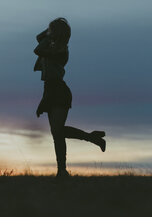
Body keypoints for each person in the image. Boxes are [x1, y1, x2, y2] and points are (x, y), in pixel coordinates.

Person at [33, 17, 106, 178]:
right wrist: (49, 31)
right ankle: (62, 170)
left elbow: (37, 49)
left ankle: (90, 139)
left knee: (58, 131)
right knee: (56, 134)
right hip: (50, 89)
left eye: (51, 30)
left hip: (59, 91)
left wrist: (51, 34)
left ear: (57, 34)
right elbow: (39, 38)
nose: (48, 33)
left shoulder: (60, 49)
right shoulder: (53, 45)